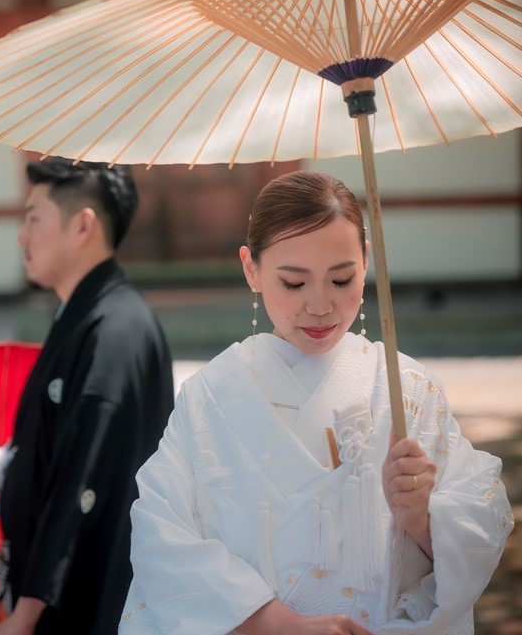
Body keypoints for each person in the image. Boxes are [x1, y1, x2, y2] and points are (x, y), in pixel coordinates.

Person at [119, 170, 514, 635]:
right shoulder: (210, 396)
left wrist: (426, 518)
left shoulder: (408, 390)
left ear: (366, 262)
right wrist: (274, 622)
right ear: (251, 269)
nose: (321, 305)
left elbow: (480, 520)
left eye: (342, 279)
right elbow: (162, 534)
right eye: (294, 283)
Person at [0, 157, 175, 635]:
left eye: (33, 218)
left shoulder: (115, 330)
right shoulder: (86, 315)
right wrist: (11, 577)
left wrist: (27, 612)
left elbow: (81, 480)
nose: (21, 236)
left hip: (91, 602)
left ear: (81, 225)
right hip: (57, 592)